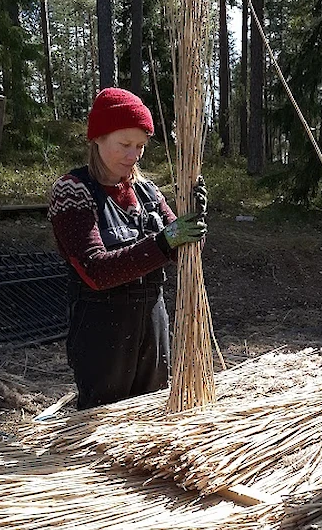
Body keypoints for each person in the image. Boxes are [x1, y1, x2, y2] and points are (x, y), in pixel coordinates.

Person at [49, 87, 206, 410]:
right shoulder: (73, 190)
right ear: (98, 138)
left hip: (152, 323)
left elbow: (184, 251)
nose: (133, 155)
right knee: (102, 424)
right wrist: (164, 241)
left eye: (140, 146)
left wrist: (197, 223)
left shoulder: (147, 191)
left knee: (151, 415)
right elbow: (96, 271)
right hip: (101, 330)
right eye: (124, 144)